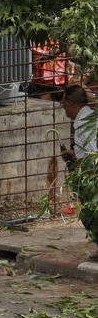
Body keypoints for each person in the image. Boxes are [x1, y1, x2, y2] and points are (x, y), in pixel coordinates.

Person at [59, 84, 98, 255]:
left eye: (65, 105)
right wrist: (74, 155)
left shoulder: (82, 122)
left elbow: (92, 151)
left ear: (72, 103)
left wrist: (82, 167)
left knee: (88, 213)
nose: (64, 110)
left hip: (91, 175)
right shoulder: (89, 116)